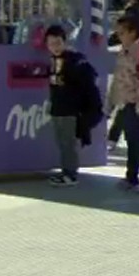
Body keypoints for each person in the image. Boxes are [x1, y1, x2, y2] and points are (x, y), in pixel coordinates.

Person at [43, 25, 102, 188]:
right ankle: (66, 171)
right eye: (51, 44)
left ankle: (70, 174)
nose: (55, 47)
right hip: (57, 108)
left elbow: (88, 82)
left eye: (58, 43)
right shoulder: (52, 61)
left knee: (68, 144)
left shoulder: (75, 61)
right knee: (62, 143)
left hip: (71, 110)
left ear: (64, 42)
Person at [105, 13, 139, 192]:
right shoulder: (123, 51)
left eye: (122, 33)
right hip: (125, 100)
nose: (119, 36)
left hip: (136, 101)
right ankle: (131, 175)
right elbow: (118, 79)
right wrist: (111, 102)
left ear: (133, 32)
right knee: (132, 140)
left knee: (138, 140)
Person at [108, 0, 139, 149]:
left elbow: (124, 32)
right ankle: (112, 136)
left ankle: (112, 137)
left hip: (132, 58)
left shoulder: (132, 11)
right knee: (128, 104)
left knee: (127, 101)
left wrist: (108, 40)